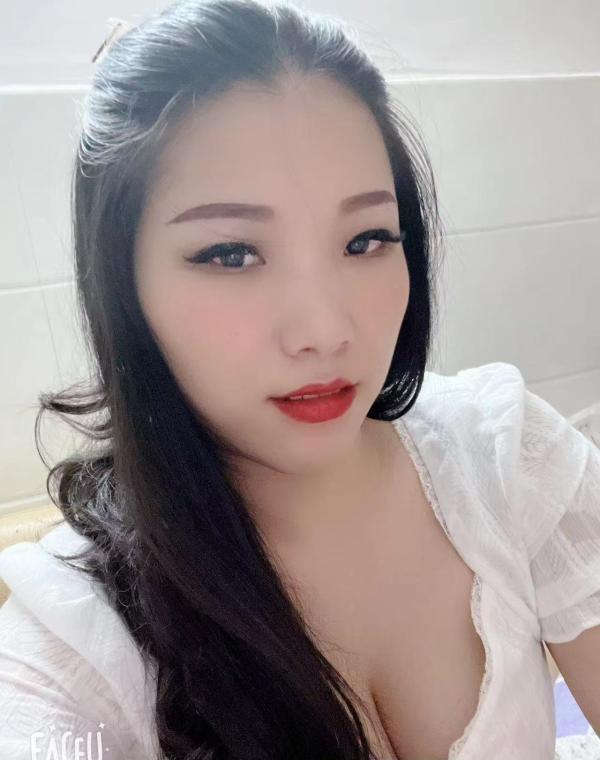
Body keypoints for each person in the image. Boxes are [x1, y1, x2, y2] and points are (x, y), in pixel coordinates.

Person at [1, 1, 599, 758]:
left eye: (366, 239)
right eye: (231, 254)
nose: (326, 330)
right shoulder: (75, 647)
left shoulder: (507, 456)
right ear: (124, 284)